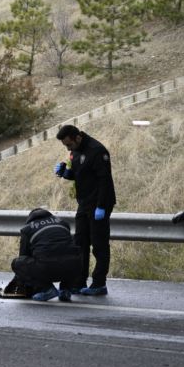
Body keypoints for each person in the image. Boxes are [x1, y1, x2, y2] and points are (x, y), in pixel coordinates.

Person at [54, 124, 116, 295]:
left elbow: (105, 180)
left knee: (99, 245)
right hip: (84, 203)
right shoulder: (76, 151)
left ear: (78, 137)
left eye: (69, 145)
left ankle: (99, 284)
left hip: (99, 204)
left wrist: (102, 207)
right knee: (80, 244)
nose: (68, 148)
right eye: (65, 146)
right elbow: (79, 174)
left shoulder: (97, 151)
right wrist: (66, 173)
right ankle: (78, 282)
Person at [11, 207, 81, 302]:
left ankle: (48, 289)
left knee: (17, 263)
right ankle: (65, 290)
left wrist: (19, 279)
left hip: (48, 268)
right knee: (70, 257)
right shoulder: (63, 223)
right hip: (74, 267)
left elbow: (23, 255)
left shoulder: (27, 229)